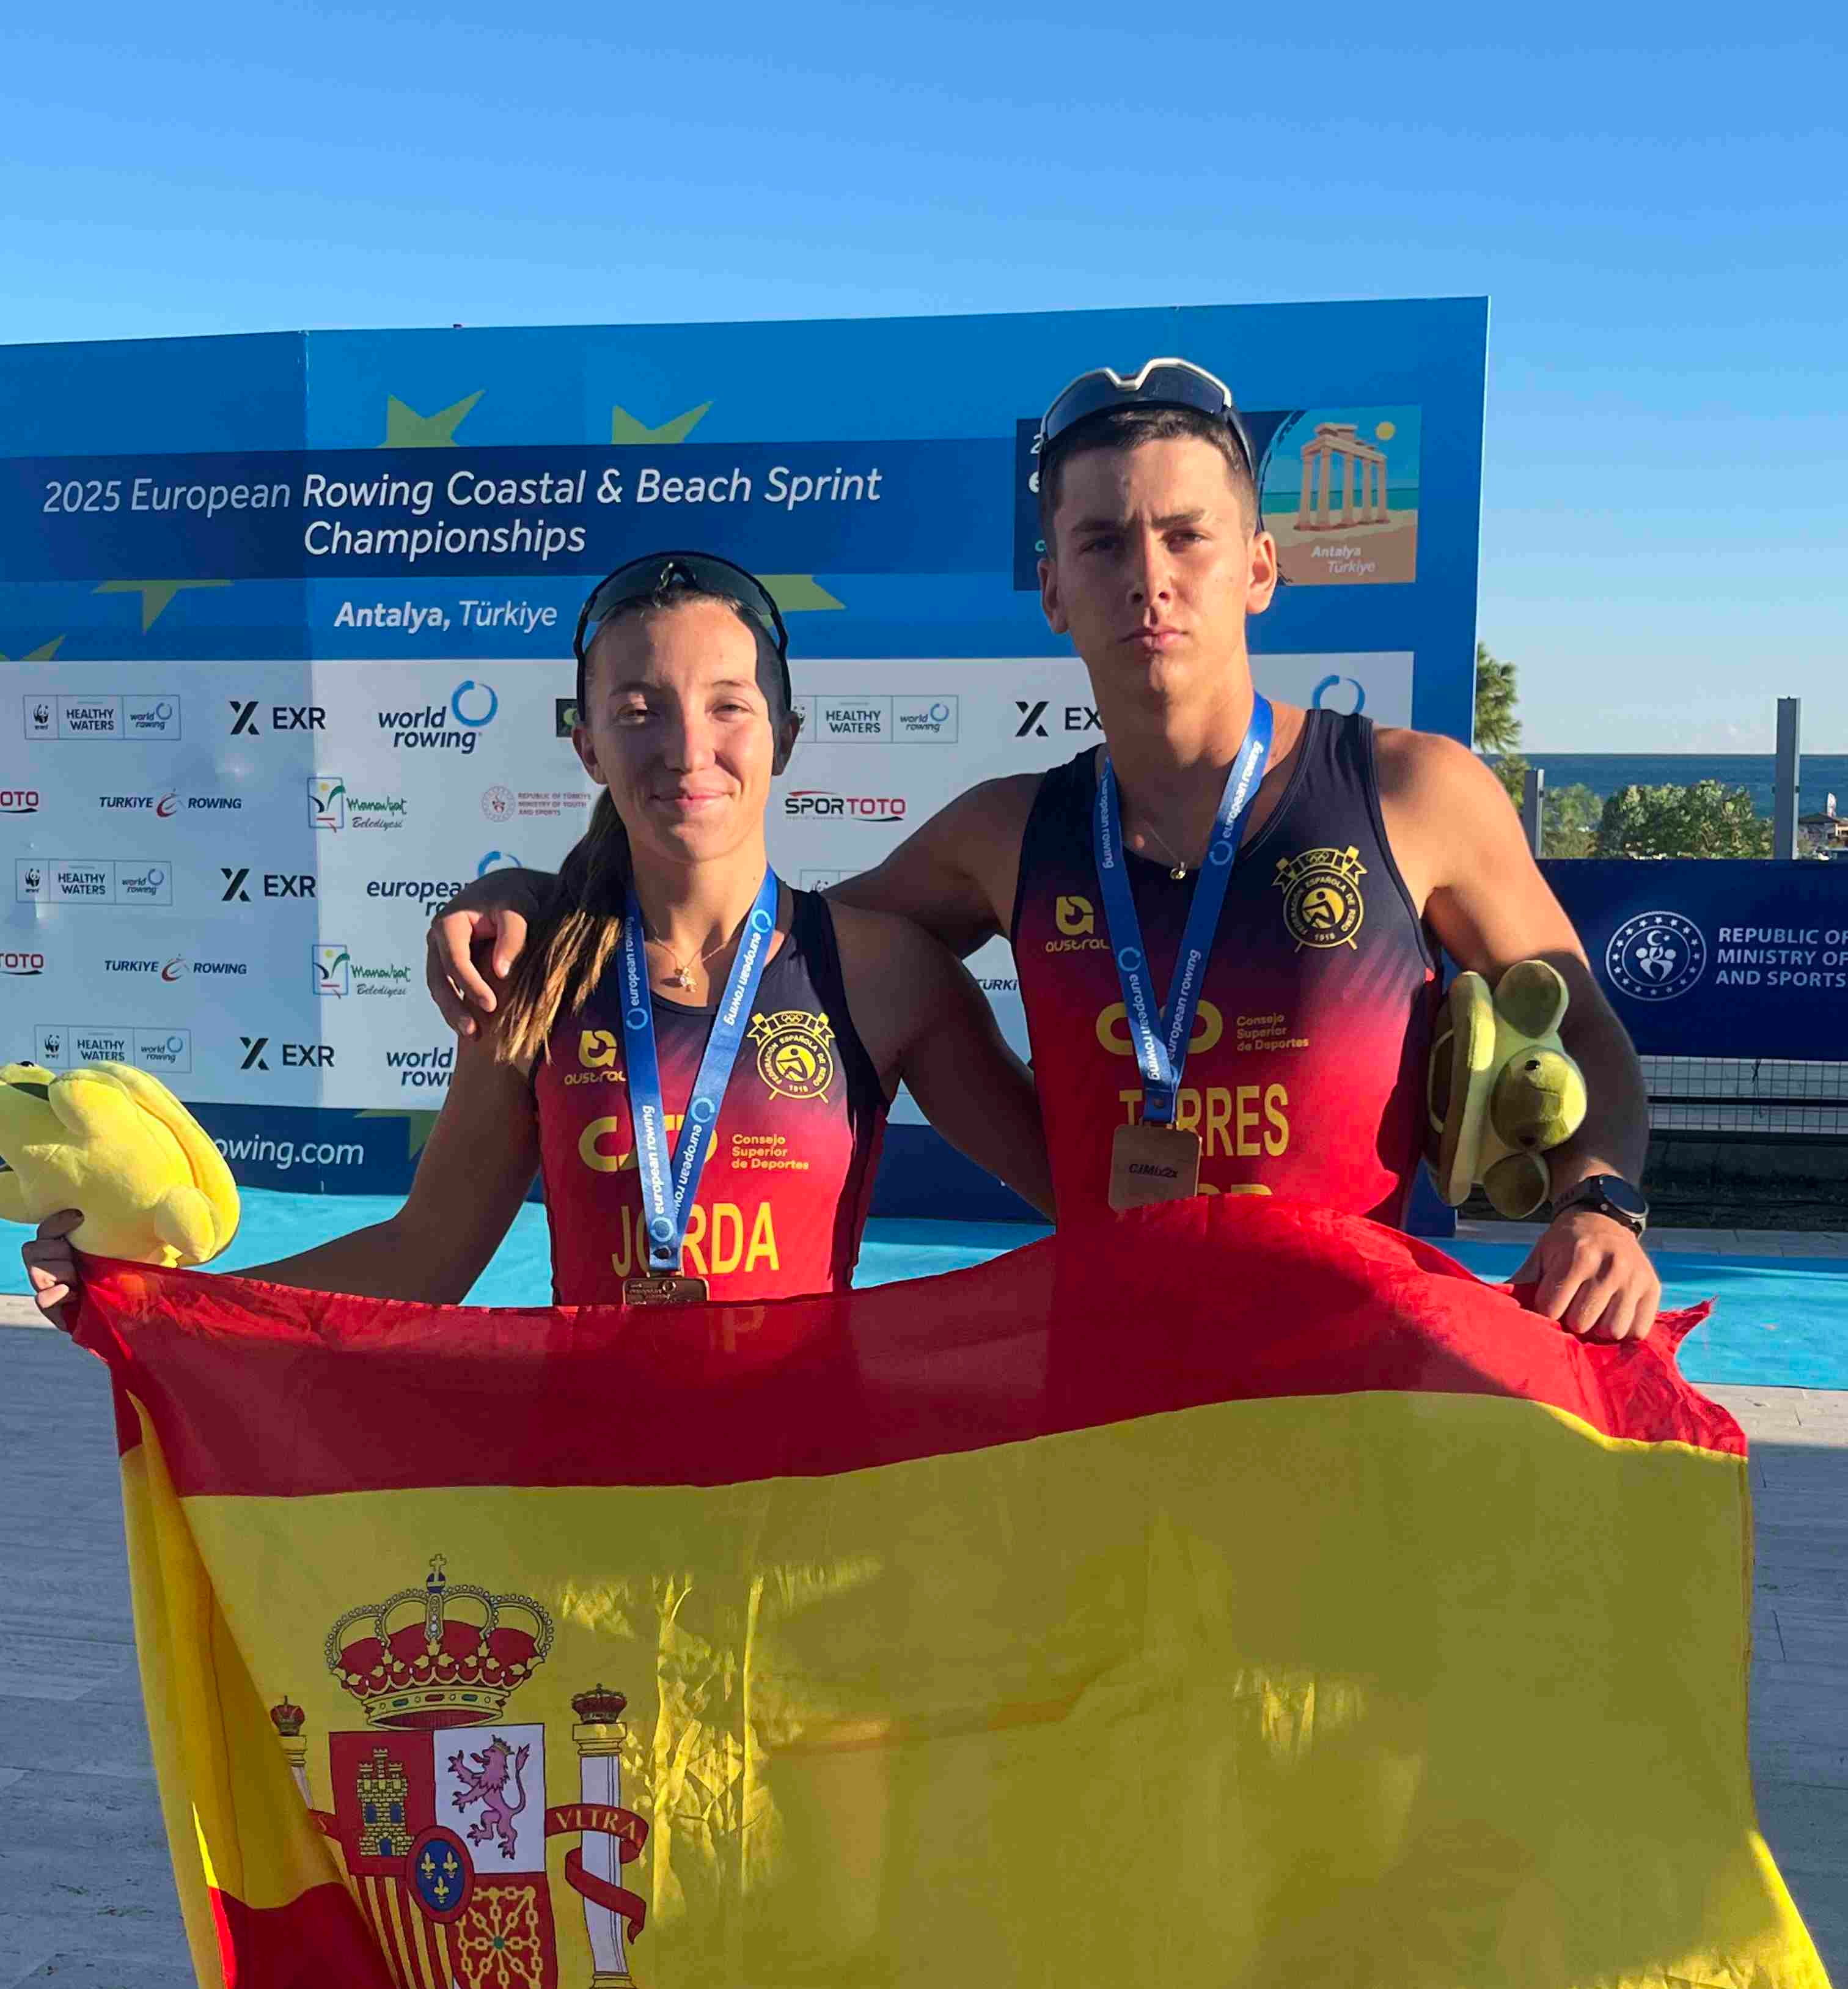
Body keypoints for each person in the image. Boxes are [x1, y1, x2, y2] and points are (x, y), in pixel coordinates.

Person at [431, 358, 1660, 1347]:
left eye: (1186, 538)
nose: (1150, 581)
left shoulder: (1413, 791)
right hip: (1103, 1409)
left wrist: (1601, 1203)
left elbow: (1590, 1030)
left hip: (1352, 1385)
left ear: (1260, 568)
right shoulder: (1005, 835)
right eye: (1104, 546)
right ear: (1054, 591)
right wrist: (534, 900)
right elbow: (753, 938)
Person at [24, 554, 1050, 1325]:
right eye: (639, 711)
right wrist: (151, 1304)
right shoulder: (539, 976)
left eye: (727, 705)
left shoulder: (884, 972)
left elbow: (1084, 1198)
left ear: (786, 734)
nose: (687, 748)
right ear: (587, 743)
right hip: (588, 1504)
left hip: (811, 1505)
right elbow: (425, 1255)